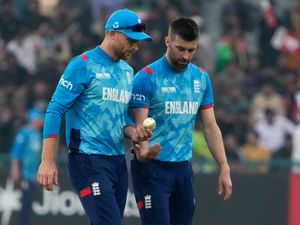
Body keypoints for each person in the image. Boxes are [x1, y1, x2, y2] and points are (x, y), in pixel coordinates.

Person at [37, 8, 160, 225]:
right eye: (131, 40)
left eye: (138, 41)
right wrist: (47, 161)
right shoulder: (82, 64)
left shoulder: (126, 71)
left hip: (118, 160)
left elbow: (121, 119)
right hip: (87, 158)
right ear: (112, 33)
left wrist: (135, 133)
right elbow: (55, 109)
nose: (136, 46)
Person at [129, 17, 232, 225]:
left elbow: (210, 127)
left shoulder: (201, 78)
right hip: (152, 167)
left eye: (191, 50)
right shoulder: (146, 78)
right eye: (181, 49)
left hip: (183, 169)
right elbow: (139, 128)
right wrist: (143, 151)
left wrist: (224, 166)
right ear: (168, 41)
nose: (186, 56)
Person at [10, 106, 45, 225]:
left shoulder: (38, 134)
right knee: (25, 202)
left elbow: (38, 157)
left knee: (29, 203)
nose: (42, 121)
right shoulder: (24, 132)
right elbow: (16, 153)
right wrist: (15, 170)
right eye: (40, 118)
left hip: (32, 175)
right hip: (24, 174)